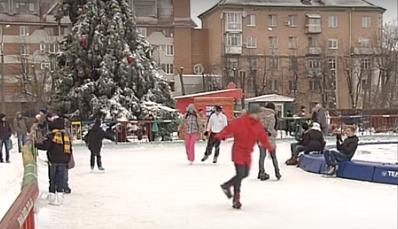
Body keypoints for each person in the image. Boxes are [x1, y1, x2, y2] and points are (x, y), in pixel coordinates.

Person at [216, 105, 274, 209]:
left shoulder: (258, 125)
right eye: (258, 113)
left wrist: (270, 149)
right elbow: (228, 129)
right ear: (252, 113)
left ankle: (227, 185)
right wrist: (220, 135)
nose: (259, 116)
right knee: (240, 174)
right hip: (238, 151)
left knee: (245, 174)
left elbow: (263, 138)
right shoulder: (240, 122)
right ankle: (236, 199)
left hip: (247, 153)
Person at [37, 117, 72, 205]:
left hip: (53, 160)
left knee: (52, 178)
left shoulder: (51, 136)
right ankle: (60, 196)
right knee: (60, 178)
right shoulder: (66, 136)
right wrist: (67, 160)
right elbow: (69, 149)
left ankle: (52, 194)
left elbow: (46, 146)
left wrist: (36, 145)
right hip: (63, 161)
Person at [258, 102, 281, 180]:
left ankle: (261, 172)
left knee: (262, 157)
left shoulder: (259, 115)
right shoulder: (272, 116)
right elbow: (271, 129)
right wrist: (275, 133)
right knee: (273, 156)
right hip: (269, 139)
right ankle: (277, 173)